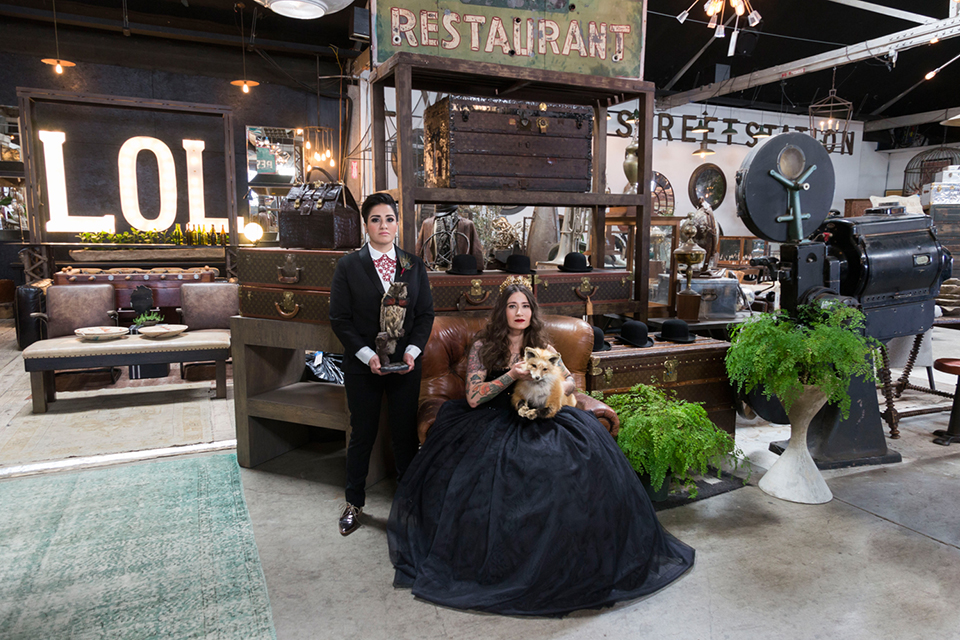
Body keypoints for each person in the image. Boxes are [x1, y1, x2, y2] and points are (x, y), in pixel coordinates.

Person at [387, 279, 695, 616]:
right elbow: (474, 398)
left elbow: (570, 380)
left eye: (525, 306)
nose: (519, 313)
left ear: (532, 312)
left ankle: (571, 557)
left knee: (571, 462)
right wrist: (511, 375)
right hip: (492, 419)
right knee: (512, 473)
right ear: (502, 311)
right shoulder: (483, 346)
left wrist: (552, 382)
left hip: (543, 414)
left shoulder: (541, 343)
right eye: (512, 306)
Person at [329, 192, 434, 536]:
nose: (383, 225)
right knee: (363, 434)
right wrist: (367, 355)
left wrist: (413, 352)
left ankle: (409, 504)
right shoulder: (348, 266)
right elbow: (340, 319)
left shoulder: (413, 265)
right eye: (376, 219)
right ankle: (354, 503)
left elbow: (425, 315)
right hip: (363, 366)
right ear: (366, 225)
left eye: (389, 219)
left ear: (397, 223)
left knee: (404, 436)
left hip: (405, 365)